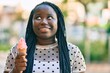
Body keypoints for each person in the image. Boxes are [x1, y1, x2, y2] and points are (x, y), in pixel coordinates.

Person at [4, 2, 86, 73]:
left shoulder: (73, 51)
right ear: (31, 23)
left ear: (58, 22)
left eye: (49, 17)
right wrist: (15, 70)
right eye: (38, 17)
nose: (43, 22)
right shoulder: (16, 51)